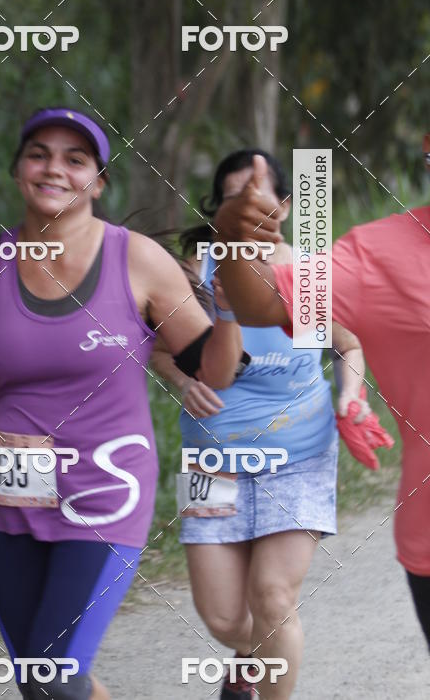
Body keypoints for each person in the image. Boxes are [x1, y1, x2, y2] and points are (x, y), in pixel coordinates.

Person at [0, 107, 243, 700]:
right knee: (41, 684)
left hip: (107, 487)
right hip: (12, 488)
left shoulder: (136, 260)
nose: (54, 167)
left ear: (99, 182)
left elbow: (217, 369)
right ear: (17, 171)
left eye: (75, 158)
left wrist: (231, 303)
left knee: (54, 678)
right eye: (39, 153)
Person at [150, 150, 366, 700]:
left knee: (273, 597)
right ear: (219, 208)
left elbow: (347, 345)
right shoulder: (196, 269)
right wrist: (182, 381)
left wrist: (350, 396)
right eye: (234, 194)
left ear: (285, 206)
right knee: (224, 619)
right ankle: (250, 657)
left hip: (299, 454)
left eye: (260, 191)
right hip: (213, 460)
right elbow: (160, 348)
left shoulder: (306, 272)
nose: (249, 204)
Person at [213, 139, 430, 654]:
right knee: (224, 615)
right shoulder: (379, 255)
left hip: (298, 449)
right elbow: (260, 303)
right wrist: (232, 238)